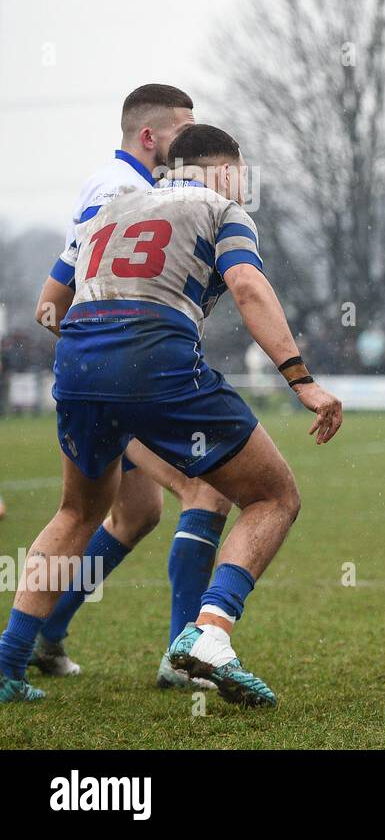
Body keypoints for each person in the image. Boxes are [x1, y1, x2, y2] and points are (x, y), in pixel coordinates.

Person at [0, 124, 343, 706]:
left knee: (77, 512)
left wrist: (98, 356)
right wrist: (300, 381)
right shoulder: (221, 209)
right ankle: (210, 633)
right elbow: (247, 286)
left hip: (79, 361)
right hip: (156, 357)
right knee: (272, 496)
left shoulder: (104, 209)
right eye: (241, 173)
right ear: (226, 171)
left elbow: (49, 305)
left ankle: (9, 662)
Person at [30, 84, 235, 690]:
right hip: (122, 379)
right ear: (151, 137)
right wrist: (104, 353)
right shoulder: (126, 192)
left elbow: (54, 299)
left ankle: (47, 632)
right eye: (185, 128)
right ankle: (181, 657)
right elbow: (59, 299)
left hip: (104, 375)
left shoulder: (124, 187)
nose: (193, 140)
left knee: (137, 513)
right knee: (206, 491)